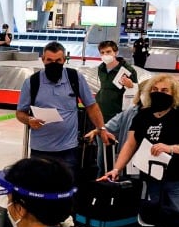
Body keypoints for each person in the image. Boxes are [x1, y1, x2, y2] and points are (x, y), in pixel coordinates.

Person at [103, 74, 179, 221]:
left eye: (164, 90)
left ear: (174, 93)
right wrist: (117, 169)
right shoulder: (143, 115)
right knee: (155, 220)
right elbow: (130, 143)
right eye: (155, 89)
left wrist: (172, 148)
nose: (159, 93)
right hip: (153, 178)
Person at [15, 42, 113, 180]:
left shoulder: (74, 78)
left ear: (64, 60)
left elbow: (91, 106)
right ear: (43, 59)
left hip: (68, 149)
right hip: (40, 150)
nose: (53, 63)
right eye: (49, 60)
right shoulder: (32, 82)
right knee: (40, 188)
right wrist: (29, 120)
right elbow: (20, 113)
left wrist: (102, 129)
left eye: (58, 60)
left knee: (66, 188)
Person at [93, 40, 137, 122]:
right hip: (101, 110)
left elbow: (136, 92)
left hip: (117, 112)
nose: (105, 55)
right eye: (102, 52)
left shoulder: (128, 70)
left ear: (116, 52)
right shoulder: (101, 68)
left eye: (108, 51)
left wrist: (131, 86)